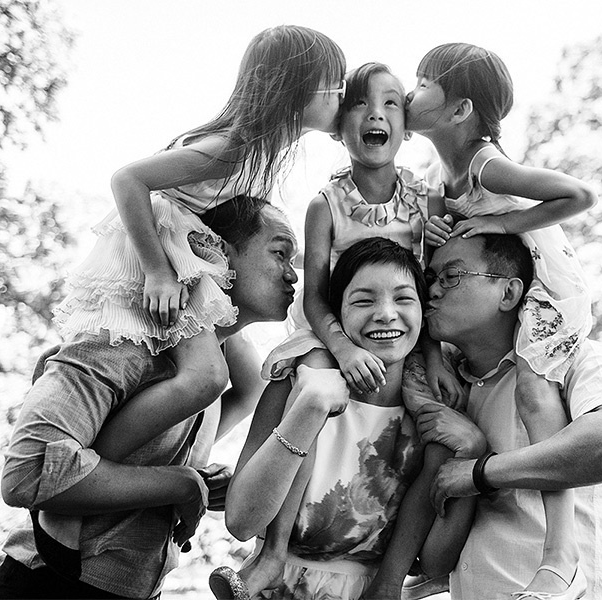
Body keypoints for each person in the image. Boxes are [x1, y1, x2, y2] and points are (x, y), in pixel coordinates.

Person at [38, 24, 346, 563]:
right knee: (206, 376)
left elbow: (247, 240)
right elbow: (128, 180)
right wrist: (158, 272)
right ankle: (95, 467)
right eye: (334, 85)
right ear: (298, 87)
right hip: (165, 260)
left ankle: (181, 452)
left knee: (249, 379)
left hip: (193, 261)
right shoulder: (233, 148)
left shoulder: (260, 157)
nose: (341, 98)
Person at [208, 63, 462, 600]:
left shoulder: (425, 197)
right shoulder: (327, 203)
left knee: (437, 431)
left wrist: (435, 355)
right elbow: (317, 294)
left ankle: (400, 571)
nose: (376, 114)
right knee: (315, 391)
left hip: (403, 348)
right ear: (337, 127)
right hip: (331, 332)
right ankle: (272, 552)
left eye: (392, 103)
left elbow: (428, 286)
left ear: (408, 125)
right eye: (360, 104)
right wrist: (341, 348)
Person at [0, 198, 302, 599]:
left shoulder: (210, 371)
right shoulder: (119, 345)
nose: (292, 276)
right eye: (280, 253)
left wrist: (193, 479)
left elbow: (249, 386)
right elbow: (27, 473)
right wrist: (177, 483)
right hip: (48, 585)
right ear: (217, 252)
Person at [404, 42, 598, 598]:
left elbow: (576, 194)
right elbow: (437, 255)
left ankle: (561, 556)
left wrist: (512, 222)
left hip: (547, 288)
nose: (409, 93)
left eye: (422, 83)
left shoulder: (486, 162)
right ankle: (437, 565)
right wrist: (436, 234)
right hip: (507, 290)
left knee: (537, 399)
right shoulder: (439, 175)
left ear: (460, 109)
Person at [411, 233, 602, 600]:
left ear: (508, 293)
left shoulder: (572, 358)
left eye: (451, 276)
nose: (432, 291)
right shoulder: (445, 388)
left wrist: (482, 472)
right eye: (430, 280)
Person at [219, 237, 447, 600]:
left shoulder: (431, 400)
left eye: (404, 298)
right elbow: (241, 521)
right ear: (337, 316)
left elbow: (434, 546)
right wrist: (311, 404)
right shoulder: (297, 378)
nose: (386, 313)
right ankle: (272, 556)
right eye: (363, 300)